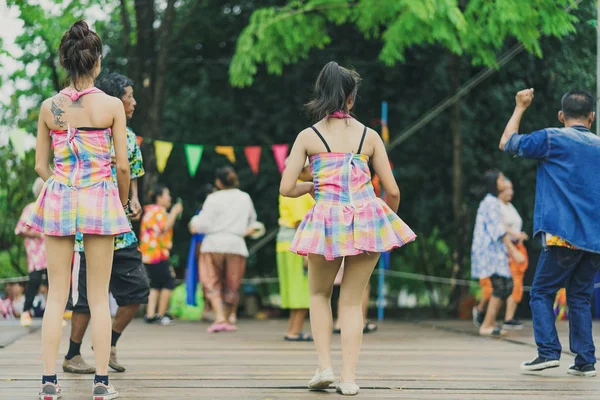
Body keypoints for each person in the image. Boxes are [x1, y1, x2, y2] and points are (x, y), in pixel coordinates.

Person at [280, 61, 416, 395]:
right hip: (367, 218)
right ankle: (349, 378)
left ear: (320, 96)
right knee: (353, 303)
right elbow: (393, 190)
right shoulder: (369, 137)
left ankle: (324, 367)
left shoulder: (308, 137)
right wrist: (382, 221)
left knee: (319, 294)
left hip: (326, 219)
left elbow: (286, 186)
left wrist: (310, 187)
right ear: (351, 99)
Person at [27, 20, 129, 399]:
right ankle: (101, 384)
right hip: (100, 197)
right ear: (96, 61)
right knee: (99, 297)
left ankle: (49, 383)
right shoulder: (112, 105)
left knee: (56, 295)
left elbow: (41, 165)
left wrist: (62, 180)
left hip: (60, 196)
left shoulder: (48, 107)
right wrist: (120, 200)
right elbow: (122, 165)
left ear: (65, 62)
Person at [500, 88, 600, 377]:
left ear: (561, 115)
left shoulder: (552, 138)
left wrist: (520, 107)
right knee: (579, 296)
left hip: (562, 234)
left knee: (541, 292)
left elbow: (507, 143)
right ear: (592, 117)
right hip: (594, 240)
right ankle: (585, 361)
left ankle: (547, 352)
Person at [63, 71, 149, 375]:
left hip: (120, 230)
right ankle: (72, 355)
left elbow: (132, 173)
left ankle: (108, 343)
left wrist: (133, 201)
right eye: (129, 96)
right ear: (114, 100)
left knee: (138, 290)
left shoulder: (128, 137)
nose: (134, 102)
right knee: (85, 299)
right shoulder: (87, 131)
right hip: (88, 225)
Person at [189, 166, 258, 333]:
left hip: (213, 243)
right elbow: (252, 222)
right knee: (232, 283)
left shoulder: (213, 198)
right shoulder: (245, 197)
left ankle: (219, 317)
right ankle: (227, 318)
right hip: (236, 244)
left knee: (211, 279)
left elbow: (202, 224)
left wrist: (193, 223)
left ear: (218, 182)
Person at [470, 170, 524, 337]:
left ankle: (490, 322)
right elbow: (498, 230)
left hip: (495, 251)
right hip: (489, 252)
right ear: (495, 183)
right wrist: (514, 251)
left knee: (505, 285)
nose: (504, 181)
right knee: (502, 285)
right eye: (501, 179)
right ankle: (486, 324)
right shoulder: (491, 202)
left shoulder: (491, 201)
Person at [277, 157, 314, 341]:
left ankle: (293, 328)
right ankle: (294, 330)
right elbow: (301, 223)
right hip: (297, 245)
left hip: (284, 243)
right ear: (300, 172)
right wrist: (307, 252)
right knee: (302, 287)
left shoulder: (288, 189)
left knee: (294, 287)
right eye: (310, 168)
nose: (313, 172)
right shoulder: (300, 189)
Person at [140, 184, 183, 325]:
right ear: (159, 197)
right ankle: (161, 314)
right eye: (167, 194)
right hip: (157, 253)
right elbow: (164, 228)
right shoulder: (158, 211)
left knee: (156, 284)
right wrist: (175, 212)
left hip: (149, 254)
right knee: (168, 282)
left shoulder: (149, 210)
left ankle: (150, 314)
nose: (169, 197)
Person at [15, 178, 47, 326]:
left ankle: (53, 315)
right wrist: (37, 234)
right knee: (34, 281)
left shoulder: (52, 207)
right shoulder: (31, 208)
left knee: (52, 282)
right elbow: (19, 230)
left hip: (50, 253)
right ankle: (25, 311)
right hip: (36, 254)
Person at [497, 178, 529, 329]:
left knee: (517, 282)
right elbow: (501, 228)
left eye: (511, 188)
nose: (510, 191)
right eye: (507, 189)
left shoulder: (510, 206)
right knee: (510, 283)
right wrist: (515, 240)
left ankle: (509, 317)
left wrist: (520, 236)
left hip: (517, 246)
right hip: (507, 248)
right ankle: (503, 316)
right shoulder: (497, 206)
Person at [332, 261, 377, 335]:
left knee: (344, 288)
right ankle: (361, 322)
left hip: (338, 255)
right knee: (363, 286)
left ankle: (340, 322)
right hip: (353, 254)